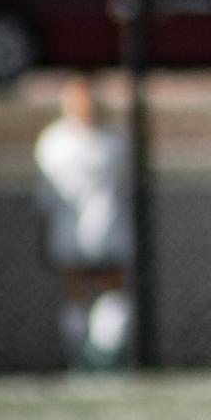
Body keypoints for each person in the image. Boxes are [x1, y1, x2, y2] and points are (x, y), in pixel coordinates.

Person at [34, 76, 132, 371]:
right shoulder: (54, 142)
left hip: (109, 228)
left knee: (112, 289)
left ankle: (105, 356)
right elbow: (47, 194)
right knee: (75, 291)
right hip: (70, 231)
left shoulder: (114, 140)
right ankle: (81, 357)